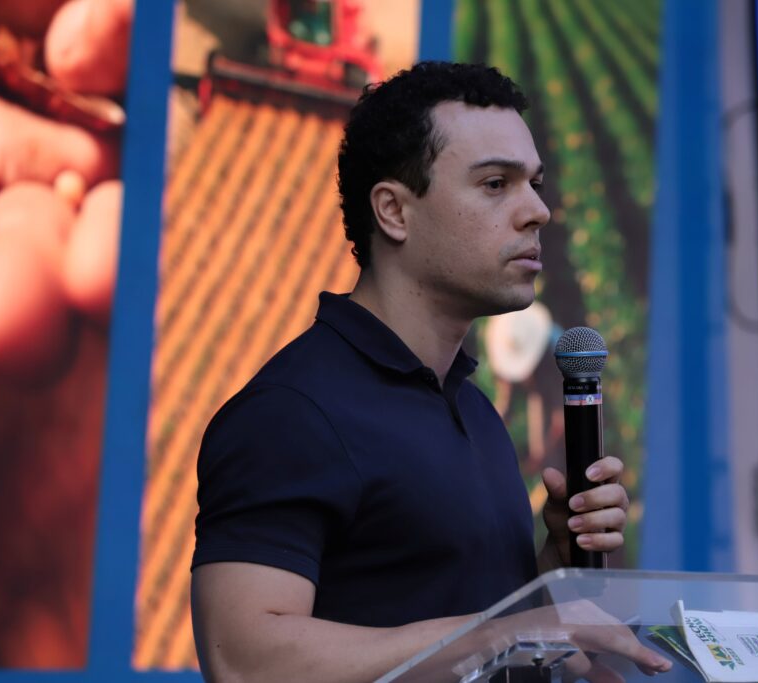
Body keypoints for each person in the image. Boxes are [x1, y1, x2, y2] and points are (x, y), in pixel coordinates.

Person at [190, 61, 671, 682]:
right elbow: (245, 663)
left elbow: (482, 639)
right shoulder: (292, 412)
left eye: (535, 183)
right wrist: (505, 632)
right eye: (496, 184)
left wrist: (553, 567)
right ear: (394, 211)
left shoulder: (475, 411)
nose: (537, 211)